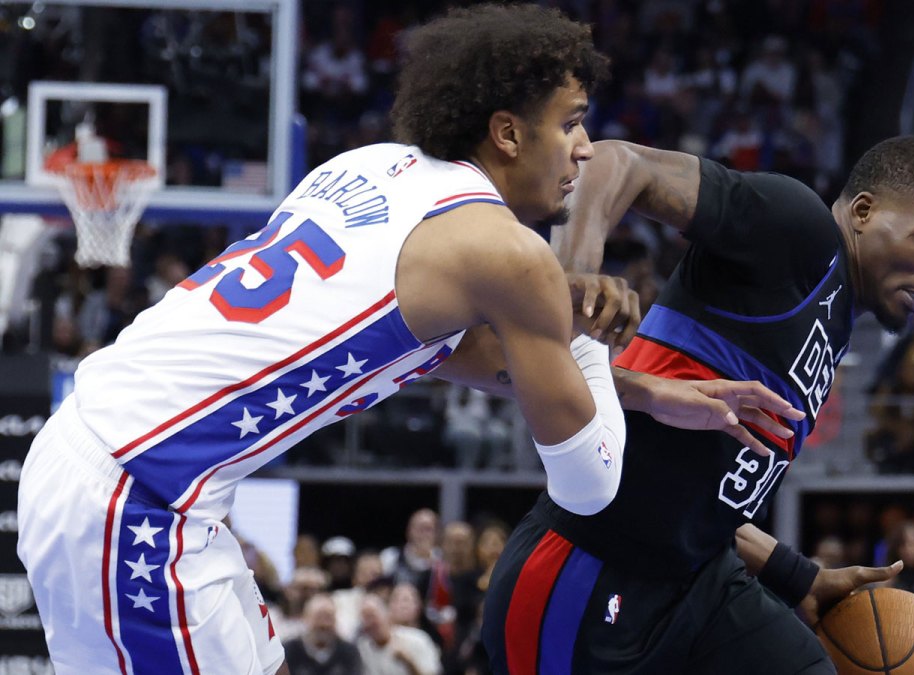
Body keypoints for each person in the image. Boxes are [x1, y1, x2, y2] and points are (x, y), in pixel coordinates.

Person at [17, 6, 789, 674]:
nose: (586, 148)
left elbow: (457, 351)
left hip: (105, 454)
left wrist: (644, 388)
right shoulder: (509, 253)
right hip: (141, 496)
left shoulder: (369, 166)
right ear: (508, 133)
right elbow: (589, 487)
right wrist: (580, 325)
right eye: (572, 120)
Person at [482, 134, 914, 673]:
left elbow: (698, 501)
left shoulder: (832, 320)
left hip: (697, 577)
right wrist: (572, 276)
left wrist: (798, 577)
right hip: (590, 567)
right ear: (863, 211)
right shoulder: (800, 233)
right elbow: (614, 162)